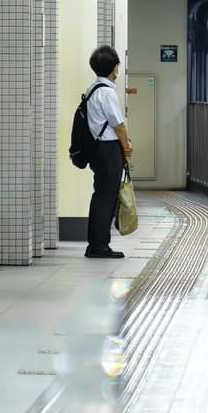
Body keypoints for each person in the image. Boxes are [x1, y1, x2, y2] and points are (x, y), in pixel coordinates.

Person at [84, 45, 132, 259]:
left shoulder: (92, 89)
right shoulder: (107, 92)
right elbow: (119, 125)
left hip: (97, 148)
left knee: (101, 195)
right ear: (114, 68)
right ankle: (99, 245)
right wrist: (127, 149)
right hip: (108, 149)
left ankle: (95, 243)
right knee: (106, 197)